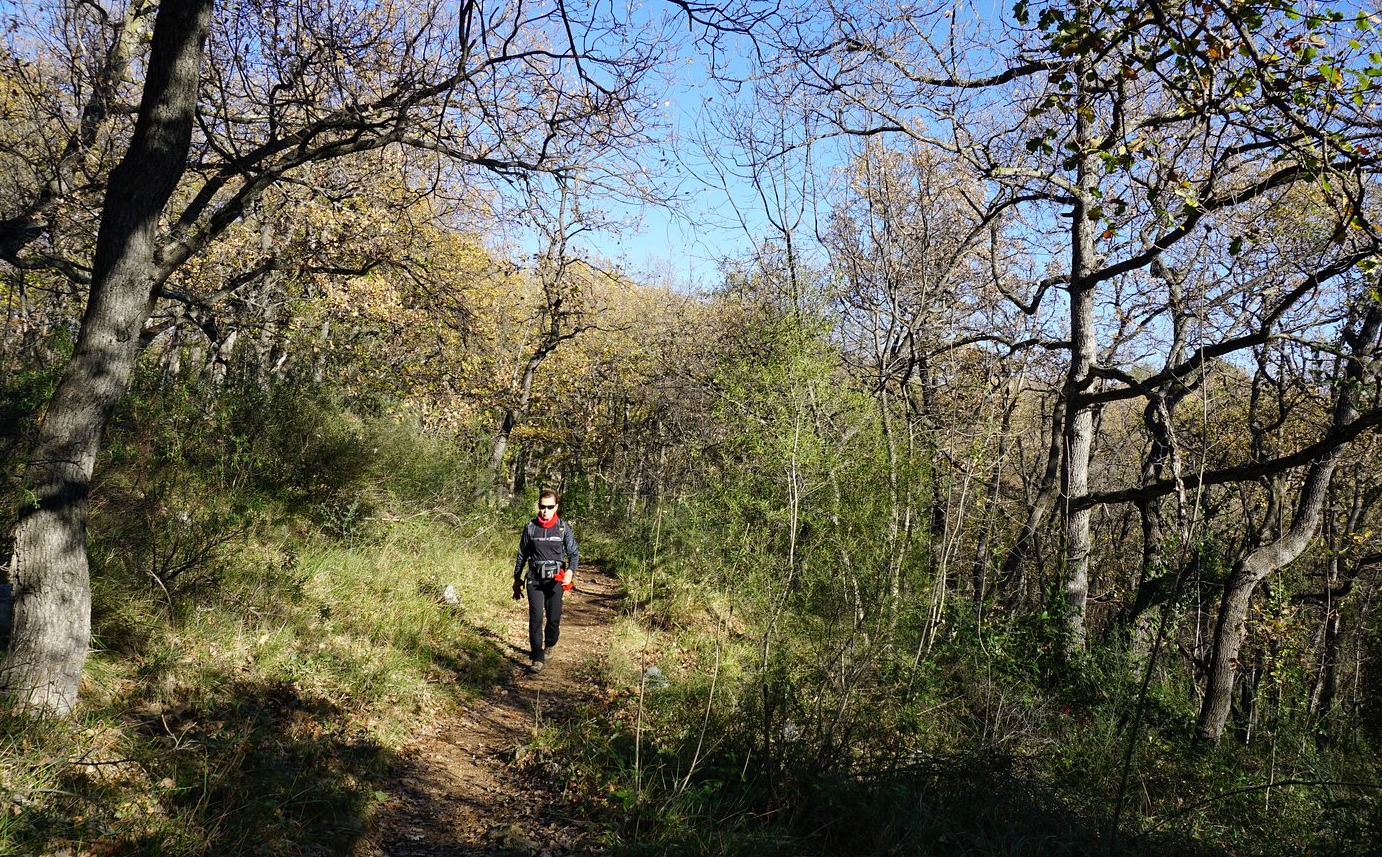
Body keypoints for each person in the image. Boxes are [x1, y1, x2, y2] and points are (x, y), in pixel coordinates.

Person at [512, 488, 579, 672]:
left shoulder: (563, 528)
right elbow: (521, 555)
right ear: (538, 506)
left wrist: (570, 573)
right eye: (542, 506)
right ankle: (537, 657)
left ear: (556, 507)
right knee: (536, 617)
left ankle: (550, 643)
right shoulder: (531, 528)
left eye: (550, 507)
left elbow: (573, 554)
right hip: (534, 578)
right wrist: (517, 579)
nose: (545, 511)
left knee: (553, 619)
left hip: (555, 580)